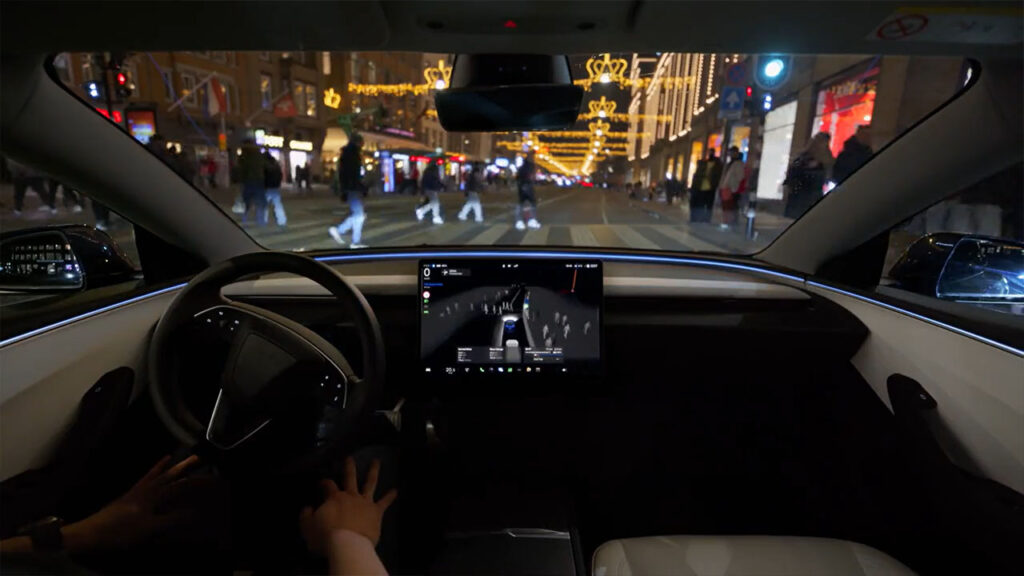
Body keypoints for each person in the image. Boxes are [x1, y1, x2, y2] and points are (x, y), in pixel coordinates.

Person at [329, 135, 370, 248]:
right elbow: (352, 174)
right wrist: (360, 187)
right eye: (362, 143)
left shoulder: (348, 153)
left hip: (350, 187)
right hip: (352, 187)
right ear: (358, 143)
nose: (363, 145)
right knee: (360, 215)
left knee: (359, 214)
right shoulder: (352, 154)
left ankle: (352, 239)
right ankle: (342, 232)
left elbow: (347, 173)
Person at [784, 132, 833, 219]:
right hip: (802, 197)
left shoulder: (826, 159)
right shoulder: (804, 159)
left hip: (809, 197)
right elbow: (793, 176)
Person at [238, 138, 267, 225]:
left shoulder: (243, 156)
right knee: (260, 200)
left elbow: (241, 169)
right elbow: (265, 166)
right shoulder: (258, 155)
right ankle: (260, 219)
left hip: (248, 181)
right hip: (259, 180)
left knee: (247, 200)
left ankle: (245, 218)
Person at [689, 148, 723, 223]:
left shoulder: (717, 165)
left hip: (710, 187)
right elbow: (697, 175)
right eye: (709, 152)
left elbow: (717, 176)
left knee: (708, 204)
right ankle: (697, 218)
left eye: (711, 152)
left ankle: (706, 219)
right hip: (700, 187)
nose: (710, 154)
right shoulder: (704, 163)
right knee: (699, 203)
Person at [718, 146, 746, 229]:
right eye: (730, 152)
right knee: (727, 206)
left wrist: (734, 185)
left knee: (731, 206)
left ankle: (731, 223)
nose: (731, 154)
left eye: (732, 152)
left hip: (732, 188)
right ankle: (727, 222)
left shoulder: (738, 163)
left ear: (736, 153)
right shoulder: (730, 163)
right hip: (726, 188)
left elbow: (740, 176)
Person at [515, 151, 541, 230]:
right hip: (527, 186)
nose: (534, 158)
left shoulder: (523, 165)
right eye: (533, 156)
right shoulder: (530, 165)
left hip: (522, 185)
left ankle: (520, 221)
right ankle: (530, 221)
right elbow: (530, 177)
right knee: (531, 203)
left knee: (522, 203)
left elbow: (518, 176)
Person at [415, 161, 444, 225]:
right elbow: (435, 181)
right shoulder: (432, 171)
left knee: (434, 203)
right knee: (436, 203)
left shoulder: (428, 171)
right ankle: (436, 217)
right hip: (431, 189)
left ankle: (421, 211)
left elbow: (426, 181)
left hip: (429, 189)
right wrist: (441, 186)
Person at [263, 151, 287, 227]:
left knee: (264, 205)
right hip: (275, 187)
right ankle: (282, 221)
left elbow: (262, 176)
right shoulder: (276, 165)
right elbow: (280, 175)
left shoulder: (264, 165)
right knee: (278, 205)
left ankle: (263, 220)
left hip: (266, 187)